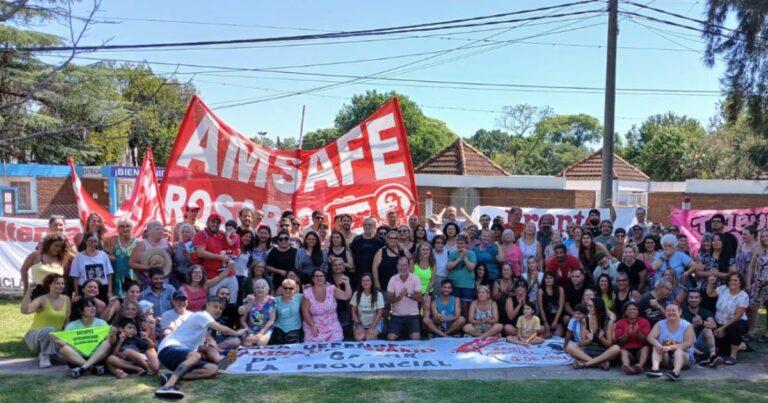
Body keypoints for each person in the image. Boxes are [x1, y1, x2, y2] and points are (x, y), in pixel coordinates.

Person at [155, 297, 246, 399]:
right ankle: (168, 386)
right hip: (168, 348)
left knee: (213, 369)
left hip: (181, 356)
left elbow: (203, 347)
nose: (218, 310)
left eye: (221, 308)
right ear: (207, 305)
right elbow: (222, 329)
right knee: (196, 355)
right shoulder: (202, 315)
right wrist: (237, 332)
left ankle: (169, 376)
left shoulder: (203, 327)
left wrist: (222, 353)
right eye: (215, 306)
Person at [53, 297, 113, 378]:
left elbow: (112, 341)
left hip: (97, 357)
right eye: (88, 306)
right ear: (81, 311)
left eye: (94, 306)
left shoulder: (101, 323)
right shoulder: (73, 325)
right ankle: (91, 368)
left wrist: (113, 335)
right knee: (63, 348)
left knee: (107, 343)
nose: (93, 308)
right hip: (77, 358)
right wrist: (59, 341)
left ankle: (82, 368)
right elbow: (61, 340)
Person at [21, 273, 69, 368]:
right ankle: (45, 356)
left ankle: (52, 355)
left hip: (55, 338)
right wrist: (29, 292)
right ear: (49, 284)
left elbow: (66, 321)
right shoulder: (41, 299)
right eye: (57, 283)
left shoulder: (66, 299)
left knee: (68, 357)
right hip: (35, 337)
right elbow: (25, 310)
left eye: (62, 284)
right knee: (49, 330)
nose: (61, 286)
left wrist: (66, 338)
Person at [646, 302, 695, 381]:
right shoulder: (660, 324)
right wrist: (658, 345)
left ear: (679, 312)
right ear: (665, 312)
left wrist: (670, 347)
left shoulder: (687, 325)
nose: (671, 313)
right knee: (656, 347)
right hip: (665, 356)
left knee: (678, 351)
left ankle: (675, 372)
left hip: (684, 357)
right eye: (668, 311)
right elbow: (650, 337)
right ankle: (655, 369)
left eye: (673, 310)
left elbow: (688, 343)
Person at [707, 272, 749, 365]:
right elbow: (710, 294)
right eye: (730, 280)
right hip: (719, 321)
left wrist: (723, 328)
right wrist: (710, 283)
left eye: (735, 280)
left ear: (740, 282)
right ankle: (742, 345)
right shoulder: (723, 289)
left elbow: (738, 316)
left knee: (734, 328)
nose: (732, 282)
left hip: (736, 322)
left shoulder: (743, 296)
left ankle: (733, 355)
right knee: (723, 351)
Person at [568, 298, 620, 370]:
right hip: (588, 351)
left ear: (598, 306)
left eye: (591, 306)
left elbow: (609, 344)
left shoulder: (608, 322)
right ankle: (599, 363)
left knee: (616, 348)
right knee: (569, 347)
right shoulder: (585, 320)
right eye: (588, 306)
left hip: (604, 352)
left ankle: (586, 364)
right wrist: (589, 340)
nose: (588, 308)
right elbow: (582, 342)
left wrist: (602, 338)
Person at [302, 269, 350, 342]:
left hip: (332, 325)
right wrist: (312, 325)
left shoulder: (331, 289)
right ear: (313, 278)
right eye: (317, 276)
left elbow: (346, 296)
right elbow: (305, 311)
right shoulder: (307, 293)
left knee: (335, 345)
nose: (319, 278)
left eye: (321, 276)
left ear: (324, 278)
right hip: (315, 325)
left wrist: (347, 283)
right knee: (312, 346)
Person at [70, 231, 114, 303]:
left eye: (95, 241)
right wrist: (77, 294)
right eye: (90, 241)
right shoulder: (79, 256)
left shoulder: (103, 255)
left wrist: (109, 291)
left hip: (102, 288)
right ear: (85, 241)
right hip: (85, 289)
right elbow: (75, 277)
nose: (92, 243)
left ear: (98, 242)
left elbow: (109, 274)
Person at [680, 289, 720, 366]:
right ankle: (702, 355)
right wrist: (693, 326)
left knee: (707, 329)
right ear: (687, 299)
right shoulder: (682, 311)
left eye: (696, 297)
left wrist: (702, 322)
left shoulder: (705, 311)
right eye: (691, 297)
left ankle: (712, 355)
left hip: (700, 342)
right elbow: (680, 328)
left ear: (700, 299)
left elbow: (714, 325)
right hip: (686, 341)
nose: (693, 300)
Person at [387, 256, 423, 340]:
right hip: (397, 316)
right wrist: (399, 297)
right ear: (397, 266)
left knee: (416, 338)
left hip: (412, 315)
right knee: (391, 338)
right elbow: (389, 299)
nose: (403, 267)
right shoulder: (393, 279)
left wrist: (408, 295)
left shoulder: (415, 278)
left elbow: (420, 298)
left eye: (405, 265)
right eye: (401, 265)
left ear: (409, 266)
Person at [23, 234, 70, 300]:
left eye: (60, 247)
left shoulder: (62, 259)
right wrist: (26, 289)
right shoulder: (36, 255)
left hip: (57, 293)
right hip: (38, 291)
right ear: (49, 244)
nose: (58, 249)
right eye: (56, 245)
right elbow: (24, 270)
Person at [129, 221, 172, 285]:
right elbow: (131, 264)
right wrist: (149, 267)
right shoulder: (142, 245)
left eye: (161, 229)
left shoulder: (166, 244)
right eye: (157, 229)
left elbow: (171, 259)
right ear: (149, 232)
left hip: (163, 278)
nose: (161, 231)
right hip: (147, 279)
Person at [104, 219, 138, 299]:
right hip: (116, 277)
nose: (125, 229)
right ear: (118, 229)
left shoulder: (138, 243)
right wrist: (106, 256)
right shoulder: (112, 240)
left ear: (132, 228)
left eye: (127, 226)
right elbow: (111, 256)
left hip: (132, 277)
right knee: (118, 301)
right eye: (122, 226)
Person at [615, 302, 651, 375]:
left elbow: (647, 341)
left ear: (638, 311)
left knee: (646, 348)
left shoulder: (644, 321)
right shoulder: (620, 323)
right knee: (623, 351)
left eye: (634, 309)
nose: (632, 311)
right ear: (625, 312)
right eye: (629, 309)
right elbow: (619, 342)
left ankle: (639, 366)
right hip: (627, 350)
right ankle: (626, 366)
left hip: (640, 350)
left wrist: (639, 333)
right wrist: (627, 334)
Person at [350, 217, 385, 286]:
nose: (367, 226)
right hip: (359, 274)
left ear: (374, 226)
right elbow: (351, 254)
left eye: (369, 225)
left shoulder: (380, 241)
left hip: (376, 275)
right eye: (365, 224)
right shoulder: (357, 240)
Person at [447, 234, 477, 317]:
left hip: (467, 284)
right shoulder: (453, 253)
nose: (460, 245)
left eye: (462, 243)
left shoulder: (472, 253)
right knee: (455, 306)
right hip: (454, 283)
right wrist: (459, 259)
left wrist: (465, 258)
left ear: (466, 244)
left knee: (465, 306)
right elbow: (449, 266)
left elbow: (472, 267)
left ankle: (466, 325)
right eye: (458, 243)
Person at [350, 273, 386, 341]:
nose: (365, 282)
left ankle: (374, 335)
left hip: (374, 324)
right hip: (360, 323)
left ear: (372, 282)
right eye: (363, 281)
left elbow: (379, 313)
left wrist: (372, 328)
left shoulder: (378, 294)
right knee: (359, 338)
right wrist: (358, 326)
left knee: (368, 338)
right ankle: (371, 335)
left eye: (368, 280)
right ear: (361, 282)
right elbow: (353, 311)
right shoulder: (356, 294)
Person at [240, 279, 275, 347]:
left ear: (267, 290)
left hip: (265, 329)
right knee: (247, 344)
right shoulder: (247, 301)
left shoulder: (272, 301)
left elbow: (271, 320)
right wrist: (250, 333)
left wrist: (260, 333)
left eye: (262, 288)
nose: (260, 289)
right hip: (249, 329)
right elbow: (242, 320)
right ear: (254, 289)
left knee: (261, 342)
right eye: (257, 287)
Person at [748, 228, 768, 343]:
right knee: (752, 307)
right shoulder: (758, 251)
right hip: (758, 284)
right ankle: (751, 332)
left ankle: (766, 334)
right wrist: (749, 282)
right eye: (763, 236)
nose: (765, 238)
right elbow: (751, 266)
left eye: (767, 236)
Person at [271, 278, 303, 344]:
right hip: (279, 326)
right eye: (285, 288)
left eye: (291, 288)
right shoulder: (275, 300)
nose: (287, 290)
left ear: (295, 289)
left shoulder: (300, 297)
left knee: (292, 339)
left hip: (295, 327)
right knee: (277, 339)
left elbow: (313, 294)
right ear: (281, 289)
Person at [538, 271, 565, 337]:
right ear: (544, 280)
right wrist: (545, 322)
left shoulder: (560, 289)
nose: (548, 280)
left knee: (557, 335)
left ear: (554, 279)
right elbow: (540, 308)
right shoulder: (541, 291)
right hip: (545, 317)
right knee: (546, 334)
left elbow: (561, 307)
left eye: (551, 278)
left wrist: (556, 320)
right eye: (546, 278)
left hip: (556, 316)